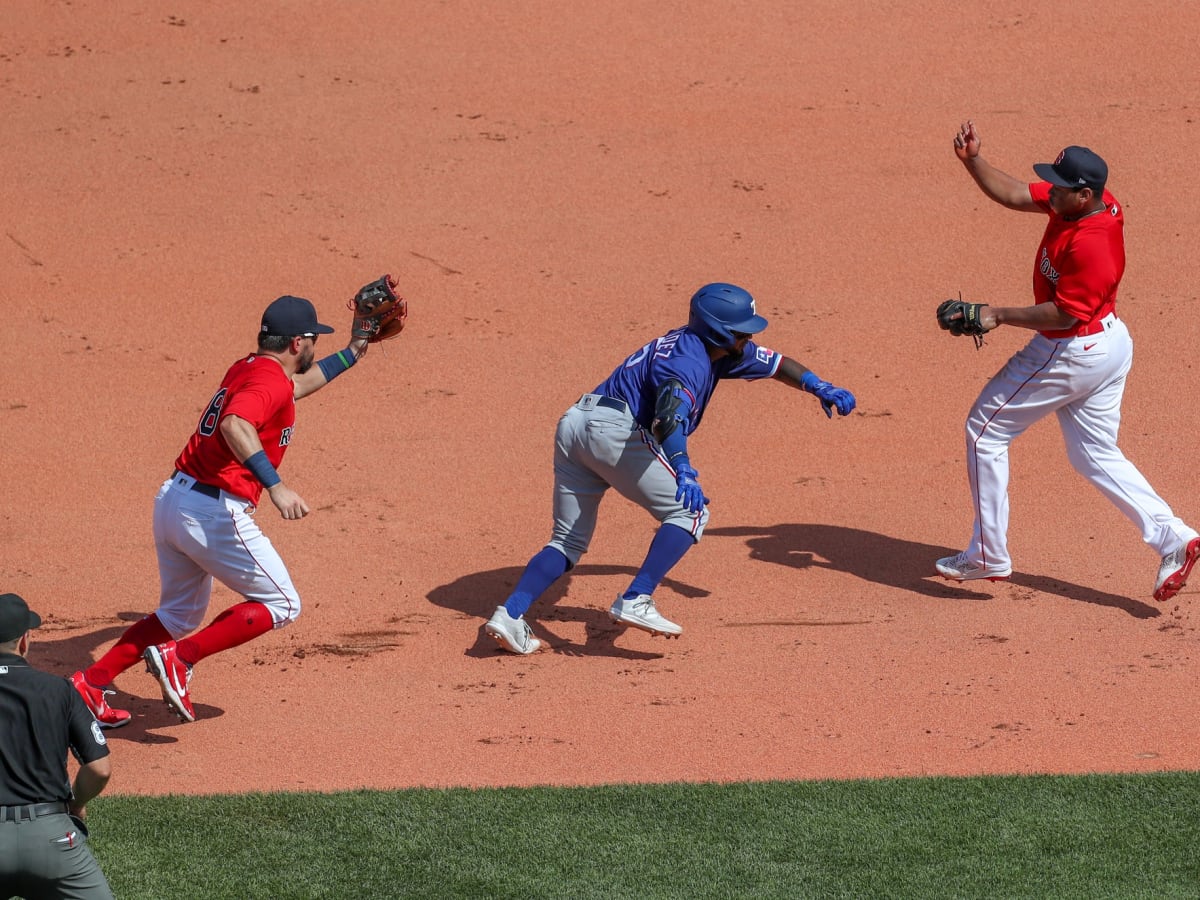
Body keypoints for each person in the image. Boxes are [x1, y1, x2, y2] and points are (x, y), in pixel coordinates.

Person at [484, 282, 856, 654]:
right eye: (743, 333)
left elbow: (776, 364)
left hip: (575, 424)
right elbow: (668, 419)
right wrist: (683, 469)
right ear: (720, 332)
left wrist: (818, 386)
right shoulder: (687, 364)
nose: (748, 339)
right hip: (613, 432)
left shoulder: (714, 348)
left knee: (566, 542)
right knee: (689, 513)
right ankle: (636, 597)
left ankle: (510, 615)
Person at [71, 292, 378, 725]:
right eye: (314, 340)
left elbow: (297, 386)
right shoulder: (269, 382)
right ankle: (181, 659)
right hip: (212, 513)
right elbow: (236, 423)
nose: (315, 348)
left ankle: (90, 684)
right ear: (296, 344)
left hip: (175, 502)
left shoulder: (252, 369)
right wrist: (276, 486)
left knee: (178, 615)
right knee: (283, 603)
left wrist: (354, 351)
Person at [936, 120, 1199, 600]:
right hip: (1107, 343)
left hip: (1072, 349)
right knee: (1093, 453)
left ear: (1083, 195)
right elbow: (1016, 193)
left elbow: (1062, 314)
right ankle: (1176, 539)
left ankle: (987, 554)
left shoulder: (1094, 243)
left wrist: (994, 315)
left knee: (985, 430)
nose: (1048, 193)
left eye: (1058, 188)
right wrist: (974, 161)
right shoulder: (1078, 202)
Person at [0, 592, 114, 899]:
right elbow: (99, 769)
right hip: (52, 839)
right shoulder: (59, 690)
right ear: (24, 641)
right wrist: (76, 802)